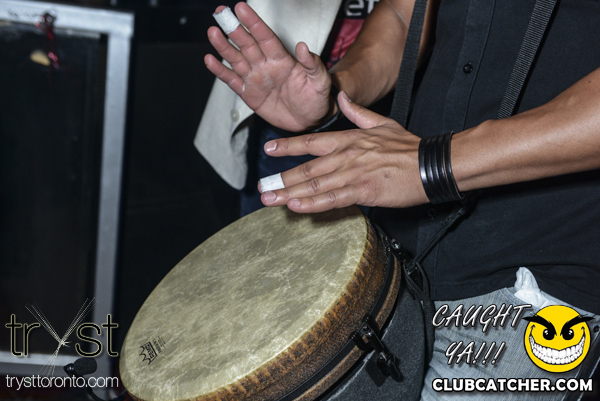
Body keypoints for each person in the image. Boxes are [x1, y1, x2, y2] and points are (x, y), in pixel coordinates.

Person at [204, 0, 600, 399]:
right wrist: (339, 90)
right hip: (402, 247)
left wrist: (432, 165)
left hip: (542, 268)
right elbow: (401, 12)